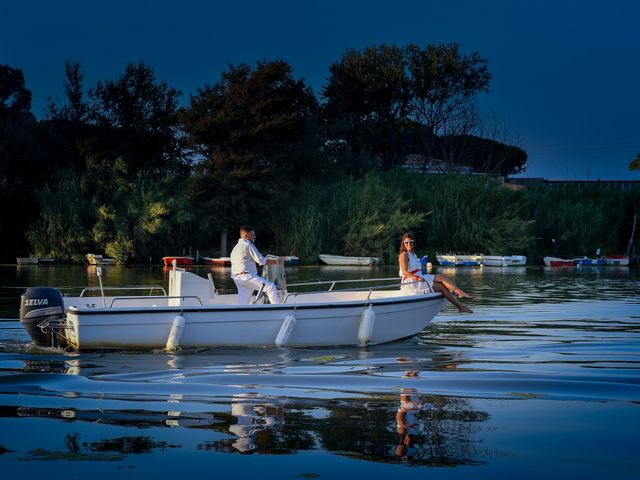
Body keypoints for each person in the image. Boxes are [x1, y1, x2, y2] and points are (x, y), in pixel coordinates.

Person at [398, 232, 473, 313]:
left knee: (442, 278)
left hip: (420, 277)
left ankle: (460, 297)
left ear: (414, 243)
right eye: (406, 242)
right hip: (412, 282)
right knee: (442, 286)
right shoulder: (404, 255)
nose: (409, 244)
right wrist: (417, 278)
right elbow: (405, 272)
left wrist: (419, 277)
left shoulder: (414, 255)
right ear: (404, 244)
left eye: (411, 242)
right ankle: (460, 303)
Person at [230, 226, 280, 304]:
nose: (255, 237)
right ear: (246, 235)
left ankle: (240, 315)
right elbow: (260, 260)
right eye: (252, 235)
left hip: (238, 278)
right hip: (246, 277)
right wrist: (277, 262)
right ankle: (279, 310)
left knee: (243, 303)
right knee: (271, 287)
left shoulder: (235, 248)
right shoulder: (248, 245)